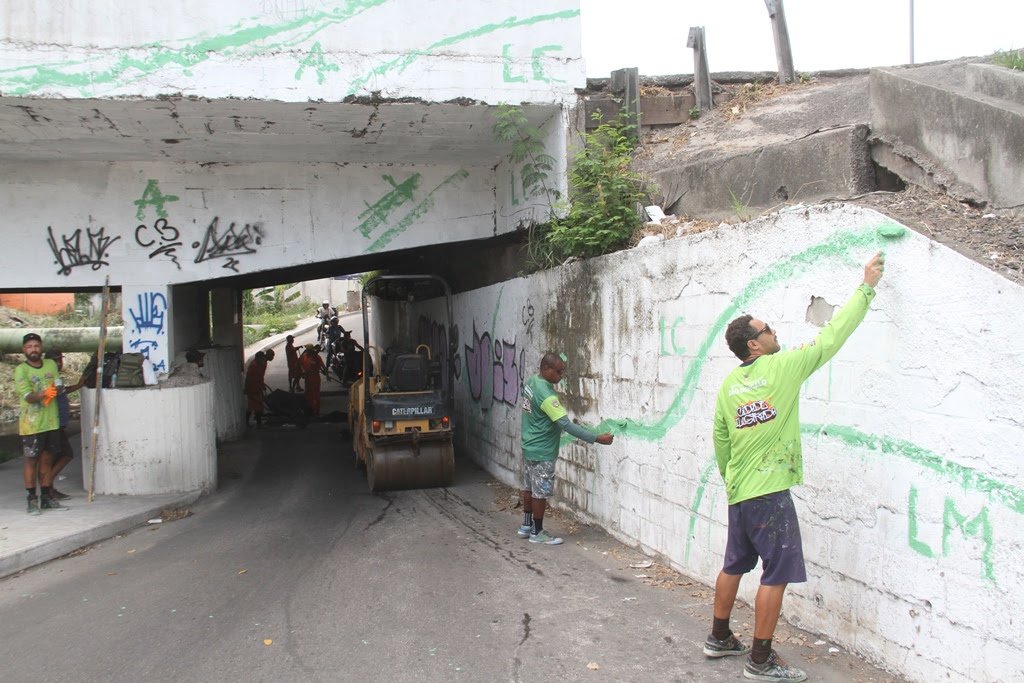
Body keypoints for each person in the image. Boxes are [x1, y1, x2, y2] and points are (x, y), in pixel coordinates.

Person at [703, 252, 885, 682]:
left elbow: (721, 441)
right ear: (754, 344)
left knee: (734, 563)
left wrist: (732, 479)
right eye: (767, 329)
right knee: (776, 571)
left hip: (741, 492)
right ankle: (761, 660)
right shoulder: (783, 366)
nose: (774, 332)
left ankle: (718, 638)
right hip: (769, 492)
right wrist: (867, 286)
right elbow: (830, 339)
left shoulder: (729, 385)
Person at [518, 353, 614, 545]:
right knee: (540, 493)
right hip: (542, 450)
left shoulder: (531, 382)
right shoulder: (547, 396)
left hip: (529, 445)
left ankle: (526, 526)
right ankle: (538, 532)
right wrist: (596, 438)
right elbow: (566, 425)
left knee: (529, 487)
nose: (561, 375)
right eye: (559, 371)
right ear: (546, 369)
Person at [15, 333, 69, 514]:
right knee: (31, 461)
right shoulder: (21, 370)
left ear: (41, 347)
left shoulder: (51, 364)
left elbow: (58, 384)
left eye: (36, 346)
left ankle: (46, 497)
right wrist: (44, 394)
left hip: (51, 422)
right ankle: (31, 500)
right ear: (24, 350)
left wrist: (57, 389)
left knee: (47, 459)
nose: (33, 349)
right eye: (29, 346)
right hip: (31, 424)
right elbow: (28, 397)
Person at [43, 351, 85, 500]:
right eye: (56, 360)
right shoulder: (48, 377)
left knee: (56, 456)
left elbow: (62, 391)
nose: (60, 363)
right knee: (64, 454)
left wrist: (79, 385)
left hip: (59, 422)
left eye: (60, 360)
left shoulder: (55, 377)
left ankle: (48, 487)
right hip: (54, 423)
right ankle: (46, 486)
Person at [299, 344, 326, 417]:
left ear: (310, 350)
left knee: (315, 395)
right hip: (307, 378)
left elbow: (322, 365)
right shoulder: (304, 356)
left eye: (307, 349)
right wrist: (303, 371)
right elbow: (301, 364)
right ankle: (309, 410)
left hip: (315, 378)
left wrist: (326, 373)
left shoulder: (316, 357)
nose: (306, 351)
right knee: (308, 394)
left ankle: (316, 411)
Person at [244, 351, 269, 428]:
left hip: (256, 388)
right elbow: (249, 378)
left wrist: (262, 385)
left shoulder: (256, 364)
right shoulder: (254, 366)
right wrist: (247, 388)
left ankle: (250, 423)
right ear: (258, 358)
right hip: (253, 389)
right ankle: (258, 424)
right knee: (256, 406)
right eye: (262, 358)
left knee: (253, 407)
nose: (263, 360)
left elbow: (259, 377)